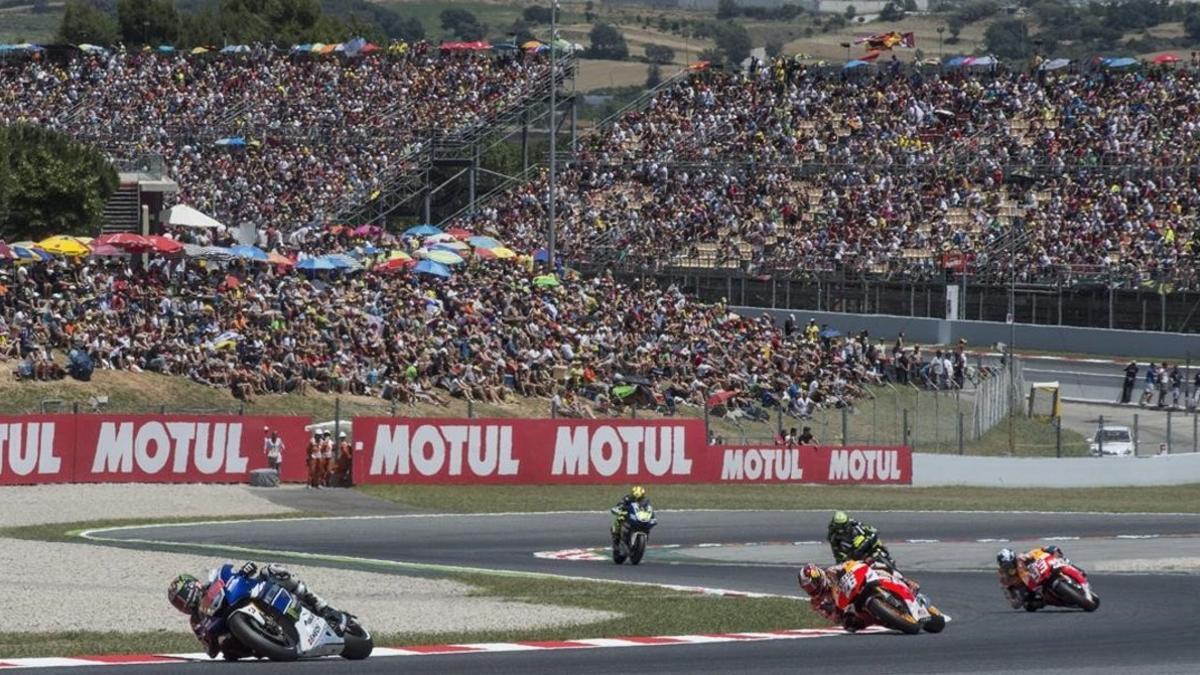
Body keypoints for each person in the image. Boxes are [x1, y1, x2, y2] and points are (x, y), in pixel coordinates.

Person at [168, 561, 345, 659]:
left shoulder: (214, 580)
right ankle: (270, 641)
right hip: (241, 637)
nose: (183, 604)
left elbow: (231, 573)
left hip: (249, 596)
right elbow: (210, 651)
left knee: (272, 570)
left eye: (182, 598)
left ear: (193, 586)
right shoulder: (196, 621)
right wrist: (214, 641)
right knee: (228, 649)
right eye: (178, 604)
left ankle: (321, 606)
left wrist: (245, 570)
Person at [996, 545, 1075, 610]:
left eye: (1011, 563)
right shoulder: (1004, 578)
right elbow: (1014, 603)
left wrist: (1045, 551)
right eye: (1005, 566)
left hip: (1038, 573)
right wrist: (1019, 598)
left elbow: (1037, 553)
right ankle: (1047, 601)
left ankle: (1072, 568)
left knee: (1054, 555)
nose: (1010, 567)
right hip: (1028, 588)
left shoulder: (1022, 557)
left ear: (1014, 559)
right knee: (1028, 606)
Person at [797, 563, 866, 631]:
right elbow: (834, 619)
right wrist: (832, 610)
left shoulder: (832, 572)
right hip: (848, 607)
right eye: (808, 588)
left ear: (818, 578)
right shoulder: (816, 603)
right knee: (849, 624)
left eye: (812, 585)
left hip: (856, 586)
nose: (812, 589)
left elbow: (850, 565)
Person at [827, 511, 893, 567]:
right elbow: (837, 555)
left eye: (842, 526)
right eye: (838, 526)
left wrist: (863, 540)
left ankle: (890, 563)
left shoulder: (856, 525)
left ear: (846, 523)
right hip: (853, 557)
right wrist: (846, 560)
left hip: (868, 550)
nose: (840, 529)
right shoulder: (833, 535)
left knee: (879, 548)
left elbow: (873, 532)